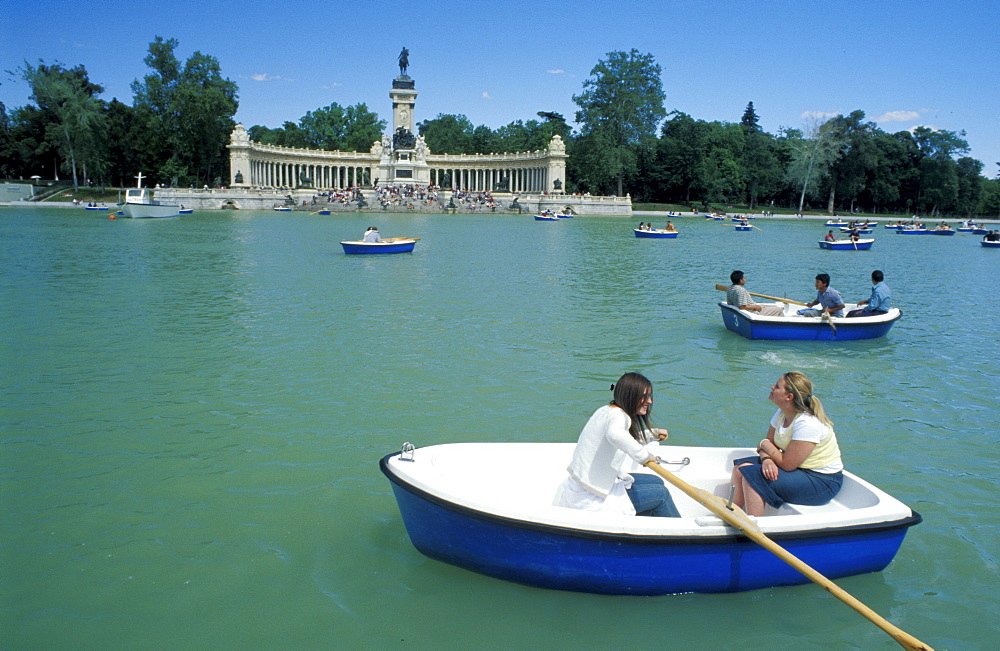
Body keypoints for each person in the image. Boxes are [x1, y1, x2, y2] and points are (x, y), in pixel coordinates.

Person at [554, 373, 680, 517]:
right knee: (661, 495)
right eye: (645, 396)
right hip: (591, 496)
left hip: (587, 485)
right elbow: (616, 435)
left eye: (650, 396)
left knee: (656, 481)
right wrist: (644, 457)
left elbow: (624, 437)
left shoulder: (606, 410)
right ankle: (681, 535)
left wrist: (652, 434)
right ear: (630, 396)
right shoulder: (619, 416)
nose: (649, 401)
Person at [729, 371, 844, 517]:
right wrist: (766, 459)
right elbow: (767, 444)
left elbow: (786, 463)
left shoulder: (807, 424)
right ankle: (732, 512)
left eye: (777, 386)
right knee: (740, 468)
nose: (772, 387)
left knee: (752, 477)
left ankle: (753, 524)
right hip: (799, 470)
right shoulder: (782, 413)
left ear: (789, 397)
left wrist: (765, 445)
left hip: (821, 482)